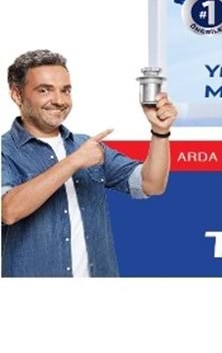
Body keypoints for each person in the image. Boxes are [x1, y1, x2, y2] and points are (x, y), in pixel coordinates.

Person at [1, 49, 176, 277]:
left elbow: (151, 184)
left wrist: (160, 132)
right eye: (44, 90)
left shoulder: (87, 146)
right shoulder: (6, 150)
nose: (59, 100)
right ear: (17, 95)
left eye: (66, 90)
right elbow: (8, 211)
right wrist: (73, 162)